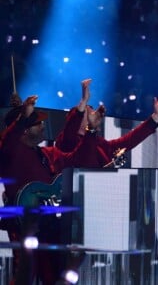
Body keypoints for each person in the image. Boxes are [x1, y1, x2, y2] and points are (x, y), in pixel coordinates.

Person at [0, 95, 101, 284]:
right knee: (25, 277)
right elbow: (7, 142)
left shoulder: (49, 153)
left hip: (52, 231)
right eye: (38, 124)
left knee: (55, 277)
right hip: (26, 232)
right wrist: (22, 119)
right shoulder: (11, 155)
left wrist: (91, 131)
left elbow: (81, 160)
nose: (43, 126)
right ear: (25, 131)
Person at [54, 78, 158, 167]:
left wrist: (156, 117)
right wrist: (84, 101)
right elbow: (71, 126)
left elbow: (130, 140)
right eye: (88, 112)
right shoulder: (67, 141)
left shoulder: (101, 144)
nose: (94, 114)